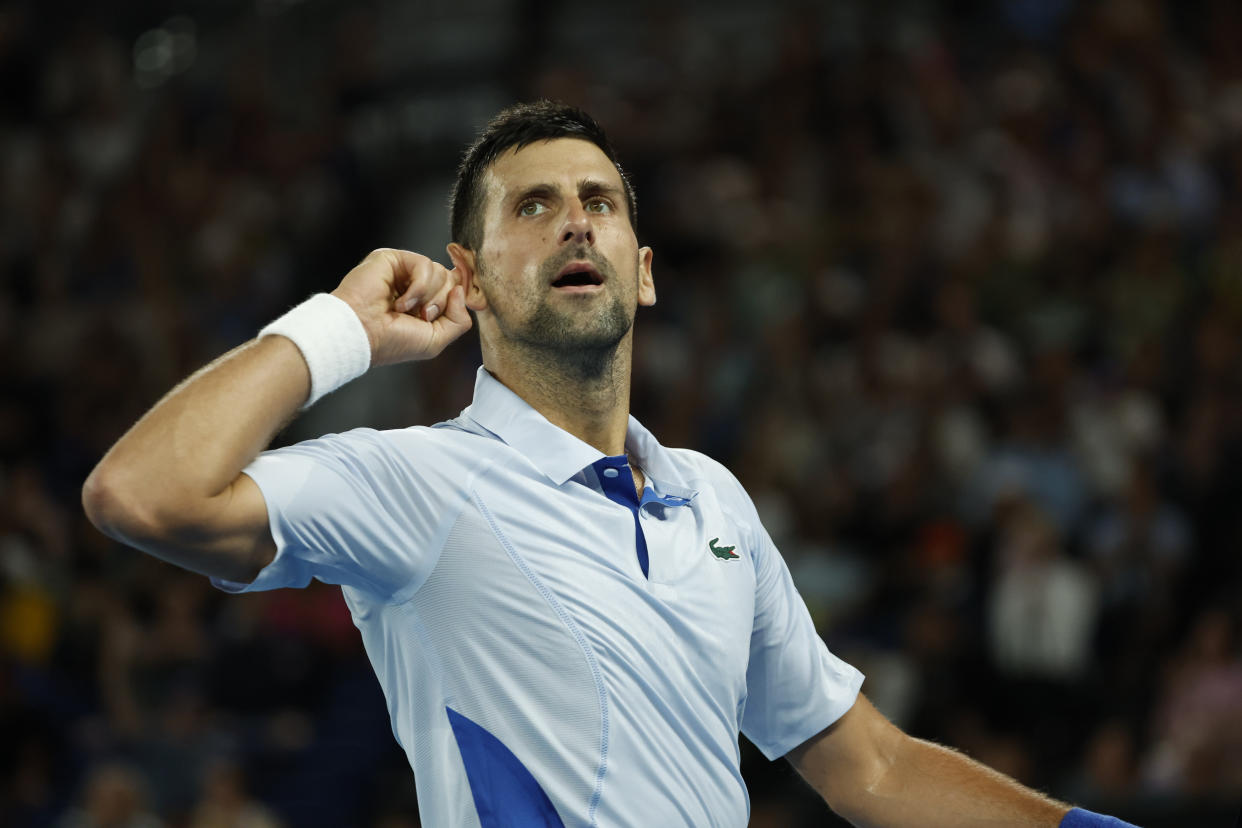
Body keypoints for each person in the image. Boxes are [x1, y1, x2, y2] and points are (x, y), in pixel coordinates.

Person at [83, 101, 1138, 827]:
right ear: (470, 281)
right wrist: (340, 329)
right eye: (531, 206)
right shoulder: (417, 485)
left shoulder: (712, 499)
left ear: (643, 274)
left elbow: (871, 767)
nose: (573, 217)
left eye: (599, 199)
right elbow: (142, 493)